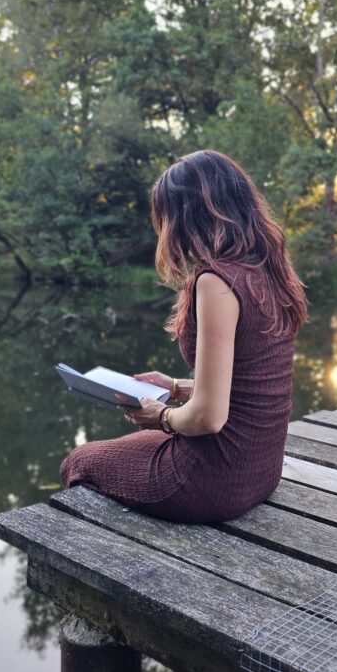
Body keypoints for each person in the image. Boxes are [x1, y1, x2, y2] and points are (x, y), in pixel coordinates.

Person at [58, 149, 308, 524]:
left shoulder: (217, 281)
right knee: (121, 449)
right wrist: (173, 387)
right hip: (260, 473)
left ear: (190, 216)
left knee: (78, 461)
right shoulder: (268, 269)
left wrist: (160, 416)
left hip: (210, 482)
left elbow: (208, 418)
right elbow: (248, 386)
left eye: (167, 217)